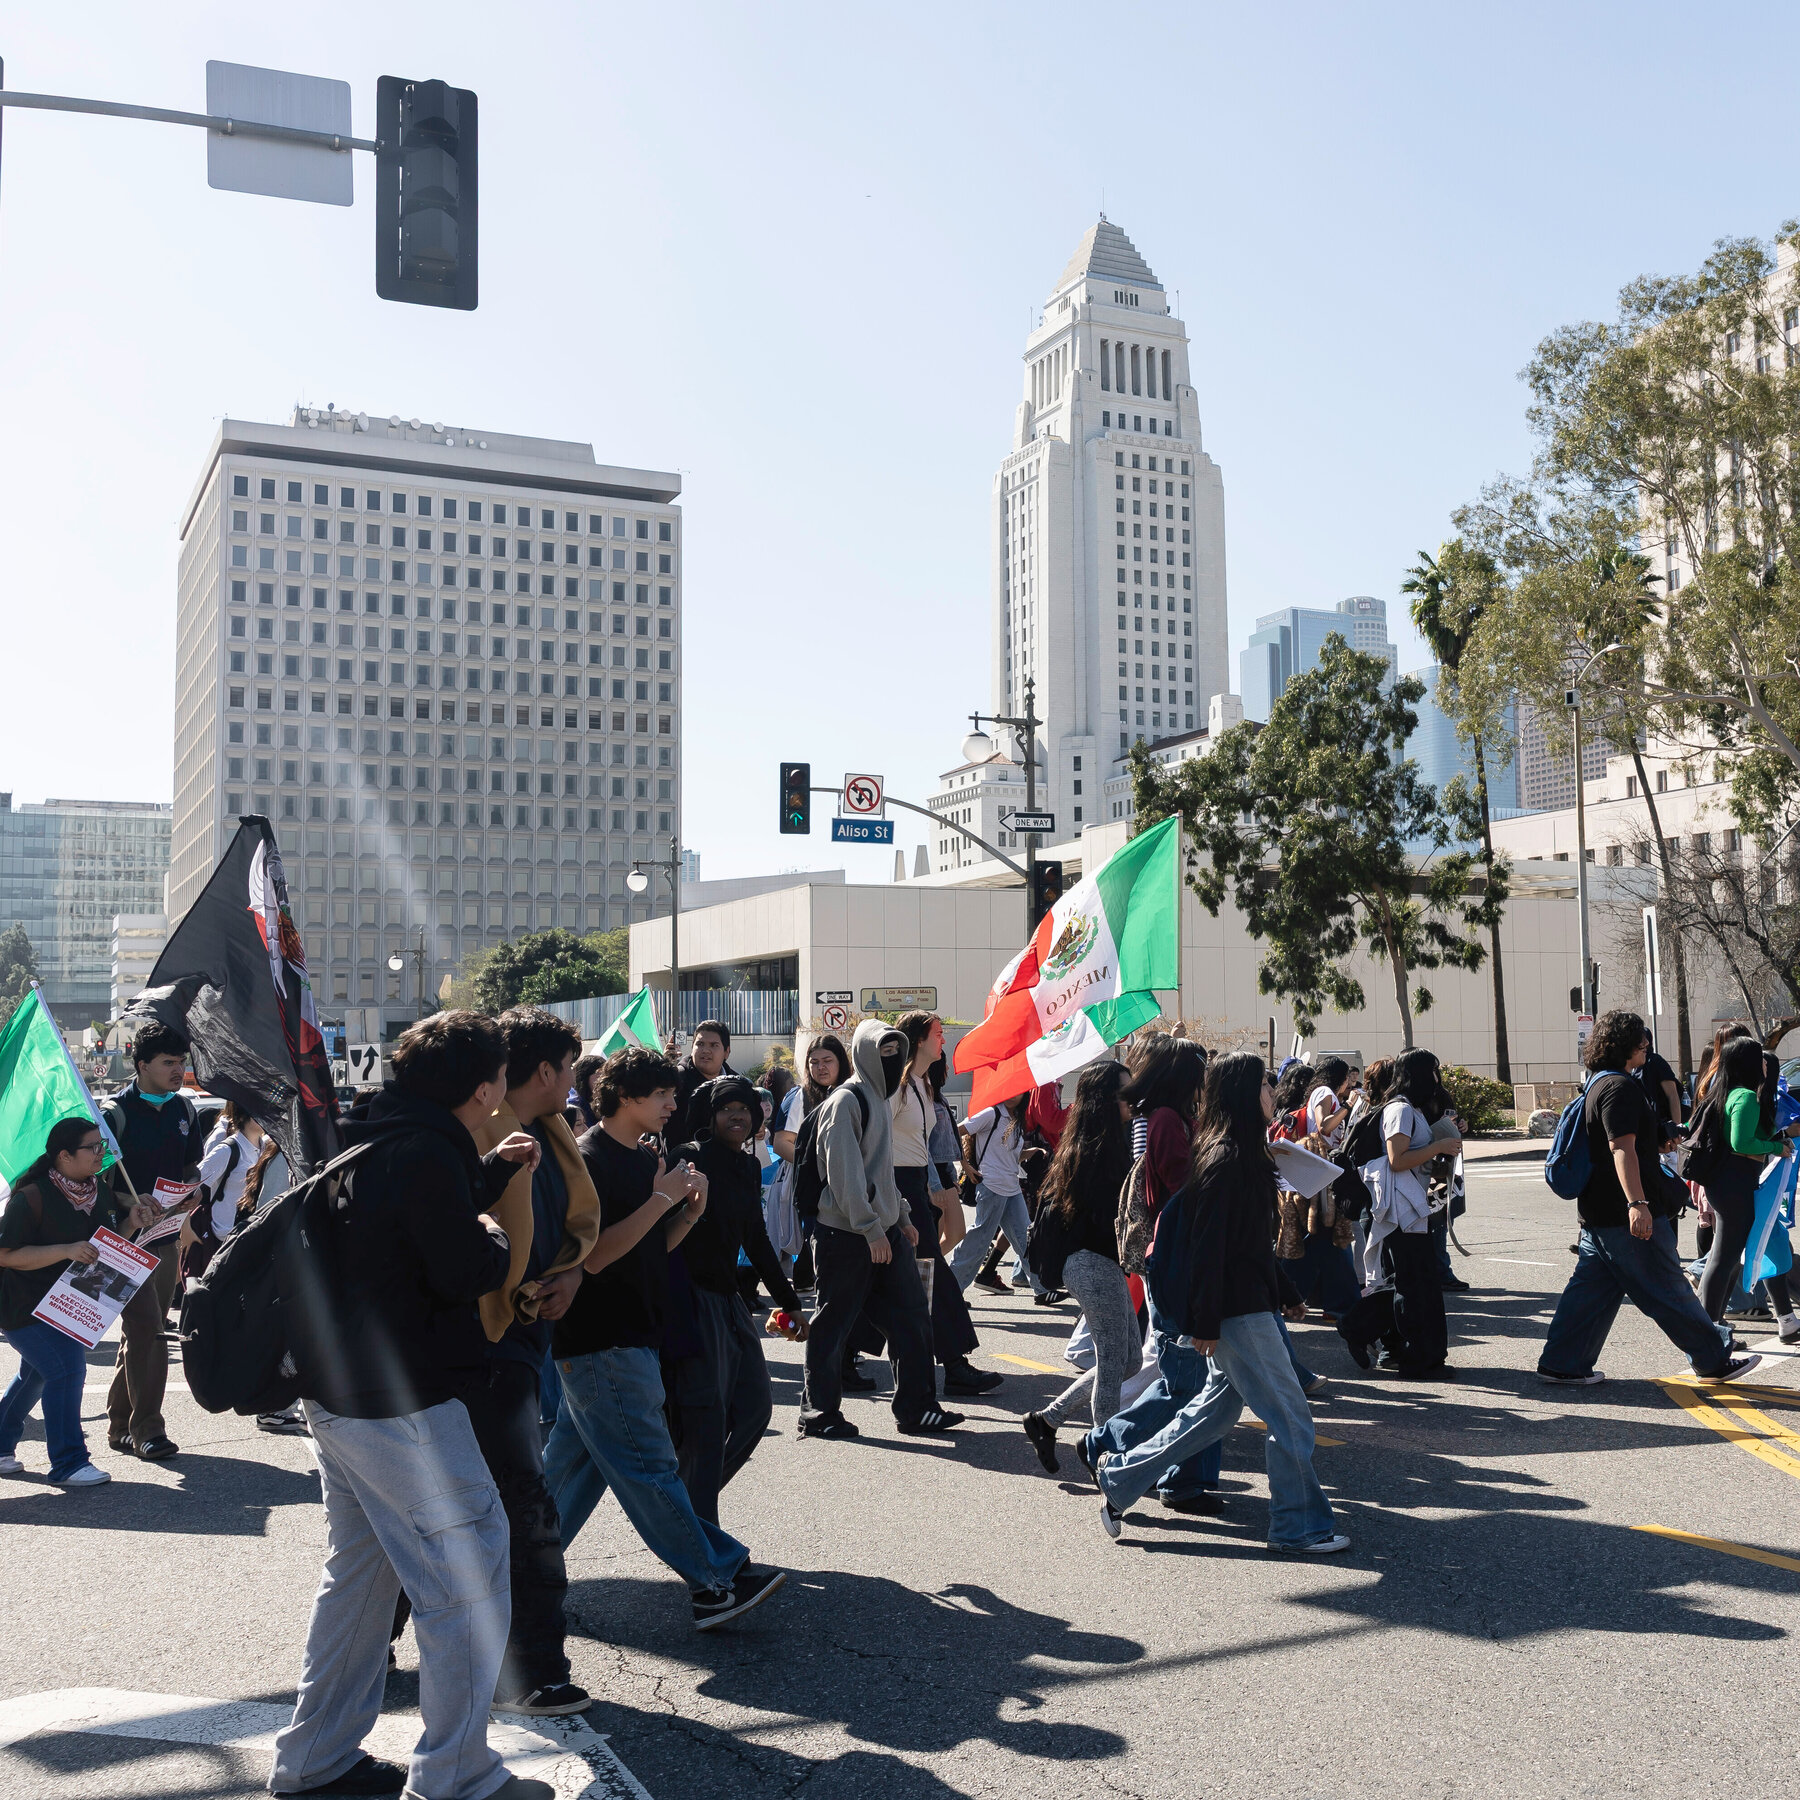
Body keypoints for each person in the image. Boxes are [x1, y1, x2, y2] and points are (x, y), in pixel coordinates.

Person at [268, 1009, 552, 1800]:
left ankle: (315, 1760)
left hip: (338, 1393)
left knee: (361, 1579)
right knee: (468, 1575)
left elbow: (405, 1222)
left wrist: (486, 1173)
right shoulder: (427, 1150)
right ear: (486, 1088)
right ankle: (457, 1774)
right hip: (405, 1402)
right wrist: (494, 1231)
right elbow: (462, 1265)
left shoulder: (371, 1132)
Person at [543, 1047, 787, 1631]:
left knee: (565, 1480)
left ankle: (512, 1576)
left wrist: (686, 1212)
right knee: (650, 1470)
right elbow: (596, 1257)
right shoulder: (591, 1158)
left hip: (631, 1338)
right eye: (661, 1095)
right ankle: (715, 1578)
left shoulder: (643, 1156)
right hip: (603, 1340)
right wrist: (663, 1199)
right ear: (625, 1096)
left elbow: (654, 1248)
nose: (672, 1105)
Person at [1088, 1052, 1349, 1554]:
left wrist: (1287, 1294)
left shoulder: (1241, 1154)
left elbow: (1247, 1244)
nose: (1274, 1095)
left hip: (1241, 1306)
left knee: (1213, 1414)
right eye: (1265, 1088)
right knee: (1290, 1416)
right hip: (1236, 1312)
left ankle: (1119, 1477)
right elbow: (1208, 1249)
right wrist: (1205, 1321)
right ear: (1244, 1094)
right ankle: (1298, 1528)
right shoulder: (1227, 1159)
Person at [467, 1006, 602, 1717]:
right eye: (570, 1067)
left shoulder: (555, 1133)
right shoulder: (474, 1133)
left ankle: (383, 1635)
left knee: (473, 1500)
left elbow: (572, 1232)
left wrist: (571, 1274)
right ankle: (533, 1671)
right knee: (521, 1504)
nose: (575, 1081)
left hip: (526, 1335)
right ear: (544, 1071)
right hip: (476, 1342)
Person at [1537, 1009, 1761, 1388]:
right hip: (1625, 1213)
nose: (1646, 1045)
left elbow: (1620, 1142)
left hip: (1599, 1213)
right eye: (1641, 1040)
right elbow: (1620, 1148)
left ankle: (1562, 1363)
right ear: (1624, 1044)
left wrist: (1657, 1138)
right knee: (1669, 1288)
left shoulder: (1600, 1083)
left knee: (1590, 1292)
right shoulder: (1619, 1088)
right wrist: (1637, 1205)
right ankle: (1713, 1359)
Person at [798, 1019, 963, 1439]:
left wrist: (901, 1217)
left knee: (912, 1319)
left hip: (882, 1231)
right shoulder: (847, 1101)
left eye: (896, 1051)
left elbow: (882, 1172)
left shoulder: (880, 1098)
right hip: (846, 1235)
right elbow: (844, 1175)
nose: (891, 1059)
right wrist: (871, 1228)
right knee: (833, 1324)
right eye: (883, 1051)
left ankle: (917, 1409)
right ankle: (818, 1413)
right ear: (864, 1053)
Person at [1089, 1034, 1223, 1513]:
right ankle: (1110, 1445)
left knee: (1188, 1382)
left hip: (1181, 1255)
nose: (1206, 1082)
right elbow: (1183, 1182)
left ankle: (1179, 1478)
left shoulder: (1178, 1117)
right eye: (1201, 1073)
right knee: (1183, 1383)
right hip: (1174, 1258)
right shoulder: (1167, 1119)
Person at [666, 1074, 806, 1523]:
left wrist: (789, 1300)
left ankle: (685, 1501)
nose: (737, 1116)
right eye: (726, 1108)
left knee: (756, 1409)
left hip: (730, 1302)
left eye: (744, 1108)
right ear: (710, 1115)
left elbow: (756, 1238)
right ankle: (700, 1525)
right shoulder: (689, 1157)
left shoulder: (747, 1166)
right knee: (705, 1423)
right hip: (690, 1302)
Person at [0, 1117, 153, 1487]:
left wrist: (131, 1224)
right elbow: (6, 1254)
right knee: (66, 1370)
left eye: (103, 1145)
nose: (102, 1153)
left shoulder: (98, 1190)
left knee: (36, 1374)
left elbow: (101, 1245)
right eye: (93, 1147)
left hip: (69, 1304)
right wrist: (65, 1250)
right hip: (23, 1307)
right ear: (64, 1156)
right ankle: (68, 1463)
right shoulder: (31, 1196)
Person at [1021, 1062, 1136, 1472]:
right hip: (1089, 1262)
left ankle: (1047, 1421)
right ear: (1104, 1099)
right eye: (1125, 1092)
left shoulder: (1106, 1139)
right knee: (1113, 1361)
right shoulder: (1097, 1147)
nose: (1132, 1099)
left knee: (1129, 1361)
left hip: (1099, 1262)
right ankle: (1105, 1457)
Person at [101, 1022, 201, 1463]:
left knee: (143, 1331)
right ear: (141, 1065)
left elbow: (191, 1168)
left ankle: (120, 1426)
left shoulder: (185, 1109)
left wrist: (194, 1192)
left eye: (181, 1062)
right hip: (123, 1242)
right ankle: (149, 1431)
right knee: (151, 1332)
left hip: (165, 1241)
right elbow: (93, 1183)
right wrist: (131, 1201)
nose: (178, 1070)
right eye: (168, 1063)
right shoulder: (113, 1114)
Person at [888, 1011, 995, 1396]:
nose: (943, 1040)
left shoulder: (923, 1084)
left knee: (919, 1277)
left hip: (917, 1183)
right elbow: (877, 1142)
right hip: (898, 1184)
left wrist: (933, 1182)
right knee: (929, 1275)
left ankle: (951, 1365)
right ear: (918, 1040)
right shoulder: (896, 1086)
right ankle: (954, 1366)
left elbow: (927, 1143)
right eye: (937, 1033)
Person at [1696, 1037, 1800, 1333]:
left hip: (1727, 1182)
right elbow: (1741, 1142)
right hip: (1735, 1183)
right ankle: (1709, 1330)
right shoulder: (1745, 1097)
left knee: (1728, 1257)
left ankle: (1711, 1327)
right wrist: (1777, 1146)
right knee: (1724, 1258)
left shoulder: (1728, 1092)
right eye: (1760, 1058)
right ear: (1748, 1063)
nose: (1765, 1062)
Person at [948, 1092, 1039, 1298]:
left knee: (1025, 1239)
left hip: (1012, 1187)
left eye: (1018, 1091)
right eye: (1010, 1090)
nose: (1012, 1095)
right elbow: (954, 1131)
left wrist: (1031, 1151)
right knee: (979, 1241)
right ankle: (951, 1290)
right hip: (991, 1186)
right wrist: (965, 1165)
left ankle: (1042, 1288)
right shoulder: (991, 1113)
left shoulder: (1017, 1120)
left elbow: (1009, 1157)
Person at [666, 1019, 734, 1148]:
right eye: (700, 1044)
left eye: (714, 1045)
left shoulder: (737, 1085)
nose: (706, 1050)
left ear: (726, 1052)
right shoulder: (675, 1080)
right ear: (692, 1048)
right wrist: (662, 1072)